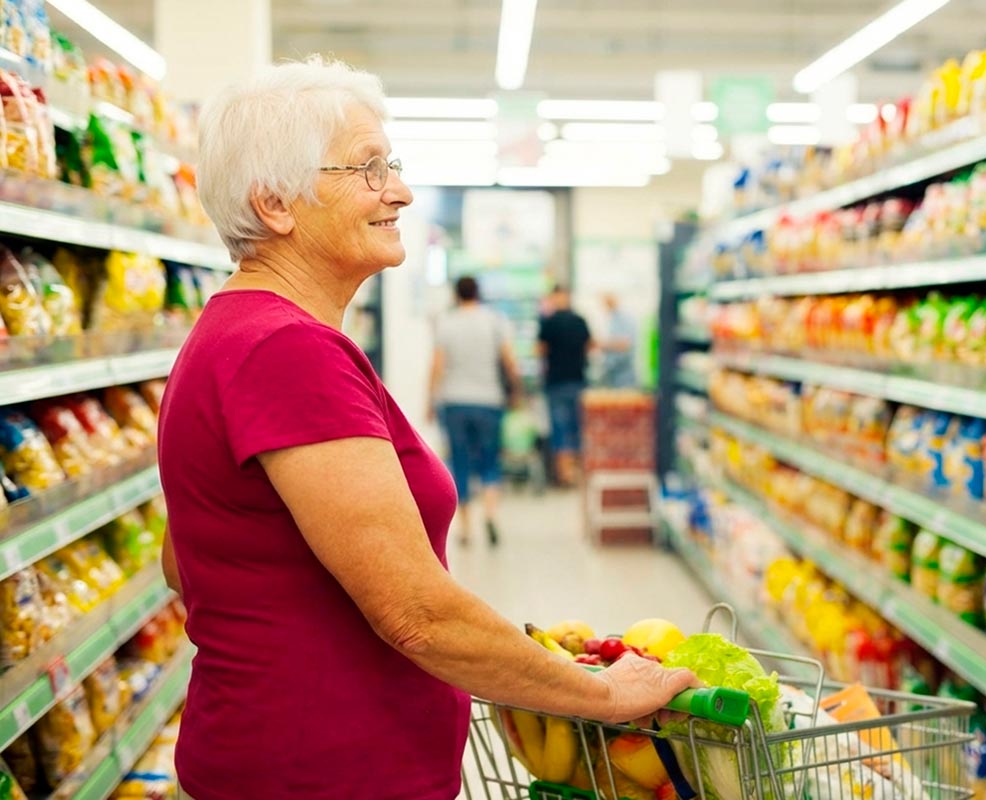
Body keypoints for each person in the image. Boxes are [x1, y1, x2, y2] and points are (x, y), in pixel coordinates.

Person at [156, 57, 697, 800]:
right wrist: (606, 695)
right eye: (369, 169)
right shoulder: (287, 349)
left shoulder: (233, 331)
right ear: (275, 202)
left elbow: (187, 563)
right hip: (323, 777)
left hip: (279, 758)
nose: (400, 191)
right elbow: (417, 614)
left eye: (394, 166)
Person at [428, 275, 519, 546]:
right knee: (490, 460)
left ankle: (465, 528)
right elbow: (509, 361)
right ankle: (490, 514)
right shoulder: (494, 321)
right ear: (478, 294)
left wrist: (430, 401)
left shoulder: (447, 323)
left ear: (456, 294)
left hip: (454, 402)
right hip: (489, 401)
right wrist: (516, 390)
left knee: (460, 461)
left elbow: (437, 366)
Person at [537, 285, 591, 486]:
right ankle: (578, 474)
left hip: (556, 383)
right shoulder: (580, 321)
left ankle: (564, 475)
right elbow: (589, 346)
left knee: (560, 429)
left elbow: (540, 350)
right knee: (578, 428)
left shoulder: (548, 322)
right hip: (578, 380)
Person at [598, 292, 638, 388]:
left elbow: (625, 344)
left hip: (624, 375)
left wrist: (604, 344)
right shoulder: (612, 319)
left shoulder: (625, 319)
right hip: (613, 374)